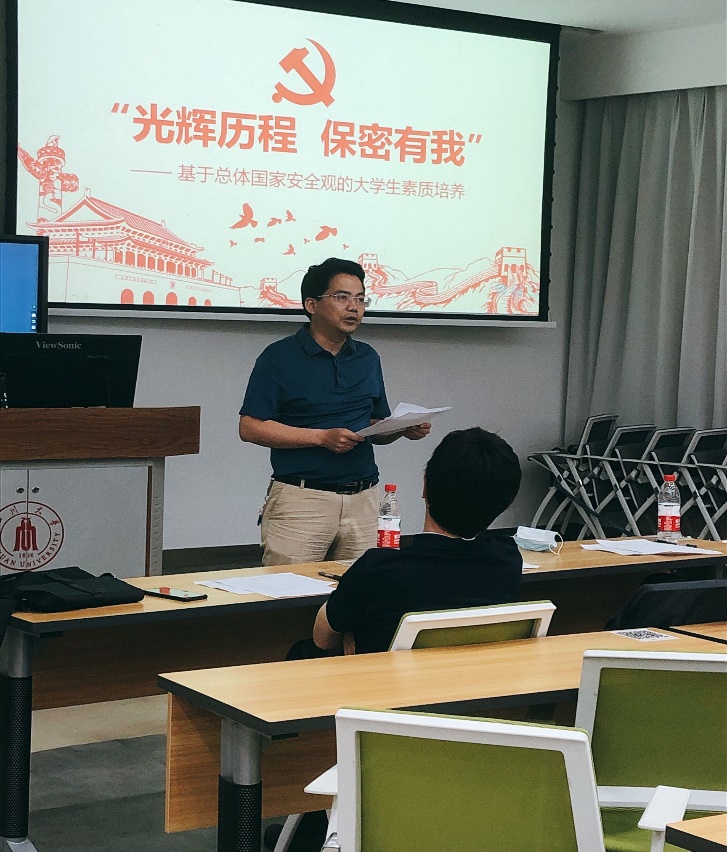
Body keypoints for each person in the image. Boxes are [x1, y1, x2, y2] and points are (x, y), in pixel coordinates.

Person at [239, 257, 430, 566]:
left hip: (364, 498)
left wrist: (401, 428)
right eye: (342, 297)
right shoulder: (279, 357)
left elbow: (374, 426)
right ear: (311, 304)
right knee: (291, 590)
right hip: (303, 499)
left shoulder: (367, 357)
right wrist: (321, 438)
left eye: (360, 299)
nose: (354, 307)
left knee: (365, 589)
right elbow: (250, 427)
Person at [312, 426, 523, 655]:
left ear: (425, 486)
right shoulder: (507, 561)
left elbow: (323, 638)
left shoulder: (378, 568)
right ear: (507, 503)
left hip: (384, 677)